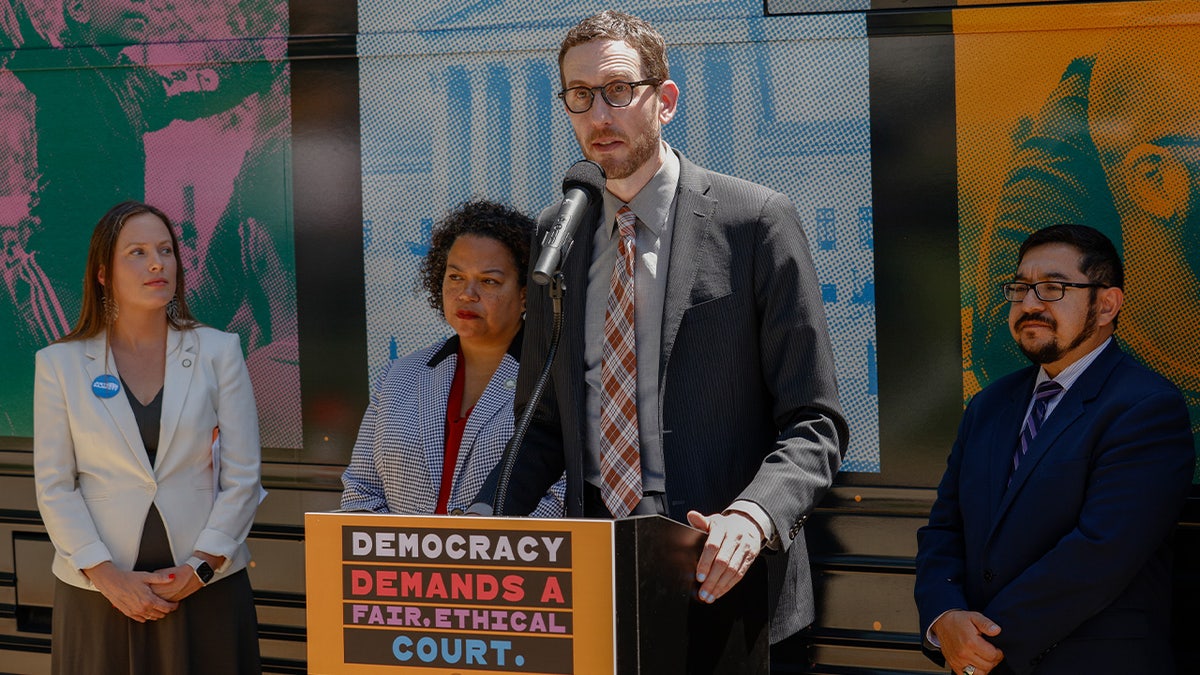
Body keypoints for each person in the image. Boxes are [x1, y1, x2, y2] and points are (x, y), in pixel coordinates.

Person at [474, 11, 847, 645]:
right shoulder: (557, 232)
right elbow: (543, 422)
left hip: (724, 576)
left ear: (665, 100)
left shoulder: (756, 222)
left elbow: (815, 421)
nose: (599, 115)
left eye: (619, 90)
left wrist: (752, 517)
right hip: (596, 578)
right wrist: (482, 520)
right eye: (580, 95)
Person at [915, 224, 1194, 675]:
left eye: (1052, 288)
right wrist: (944, 617)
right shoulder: (989, 405)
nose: (1029, 304)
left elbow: (1102, 552)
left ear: (1106, 305)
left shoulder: (1146, 407)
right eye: (1020, 288)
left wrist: (984, 641)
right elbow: (945, 529)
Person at [33, 201, 262, 674]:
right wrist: (106, 577)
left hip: (205, 590)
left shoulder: (220, 351)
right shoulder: (59, 364)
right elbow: (55, 486)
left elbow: (243, 478)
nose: (157, 263)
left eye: (165, 250)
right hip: (99, 596)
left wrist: (200, 568)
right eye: (136, 252)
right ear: (103, 274)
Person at [340, 200, 564, 517]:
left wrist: (471, 546)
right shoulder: (397, 377)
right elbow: (361, 491)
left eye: (488, 281)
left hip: (503, 551)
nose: (466, 294)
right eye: (456, 276)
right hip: (402, 551)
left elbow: (559, 500)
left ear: (526, 293)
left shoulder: (554, 381)